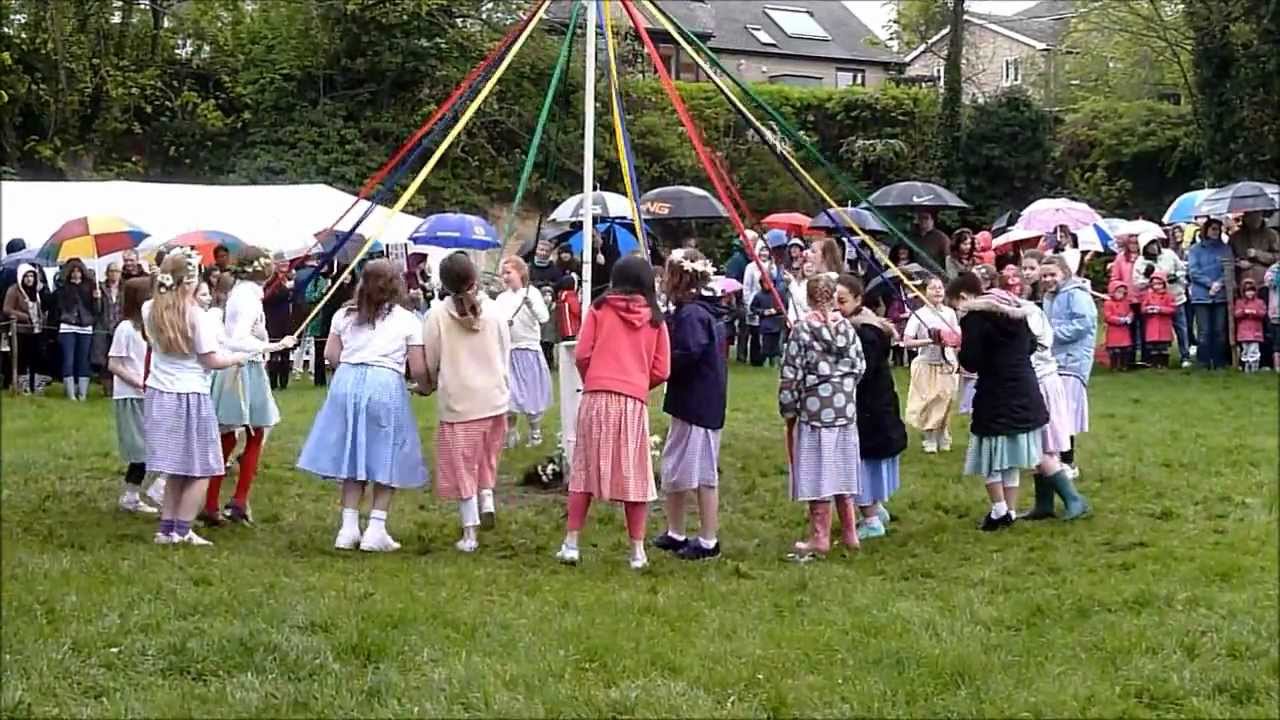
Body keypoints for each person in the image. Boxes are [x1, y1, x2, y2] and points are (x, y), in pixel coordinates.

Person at [297, 260, 429, 551]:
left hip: (346, 382)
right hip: (384, 384)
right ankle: (376, 528)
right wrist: (425, 386)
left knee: (351, 451)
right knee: (387, 452)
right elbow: (418, 367)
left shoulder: (345, 314)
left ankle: (348, 527)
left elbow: (331, 355)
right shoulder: (408, 320)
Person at [555, 256, 671, 570]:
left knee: (584, 469)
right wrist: (637, 383)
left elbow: (582, 353)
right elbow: (662, 368)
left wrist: (593, 378)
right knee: (635, 473)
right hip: (632, 401)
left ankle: (571, 543)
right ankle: (637, 551)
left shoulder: (599, 309)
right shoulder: (656, 319)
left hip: (596, 396)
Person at [143, 248, 249, 546]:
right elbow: (210, 360)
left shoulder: (149, 309)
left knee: (177, 467)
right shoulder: (197, 317)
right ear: (189, 281)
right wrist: (236, 358)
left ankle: (167, 529)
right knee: (203, 468)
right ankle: (182, 529)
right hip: (190, 395)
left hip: (159, 393)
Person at [423, 253, 511, 553]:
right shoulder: (496, 311)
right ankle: (487, 499)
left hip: (460, 404)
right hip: (495, 399)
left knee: (463, 467)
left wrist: (427, 383)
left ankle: (470, 532)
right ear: (474, 277)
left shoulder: (435, 315)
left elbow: (431, 360)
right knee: (487, 457)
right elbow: (505, 351)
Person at [948, 272, 1048, 531]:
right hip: (1023, 388)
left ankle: (998, 509)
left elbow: (971, 360)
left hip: (995, 392)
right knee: (1011, 455)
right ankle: (1010, 511)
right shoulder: (1013, 310)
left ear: (963, 297)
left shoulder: (974, 318)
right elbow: (1031, 346)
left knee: (991, 454)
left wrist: (958, 348)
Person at [203, 250, 297, 526]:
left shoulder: (244, 293)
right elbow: (238, 338)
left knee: (232, 436)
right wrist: (274, 345)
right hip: (243, 368)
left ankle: (219, 502)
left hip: (237, 366)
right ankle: (234, 502)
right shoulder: (247, 298)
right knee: (253, 433)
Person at [779, 275, 866, 557]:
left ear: (809, 298)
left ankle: (820, 537)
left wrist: (788, 408)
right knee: (843, 467)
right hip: (844, 410)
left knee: (817, 470)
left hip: (815, 411)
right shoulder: (848, 328)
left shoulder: (803, 329)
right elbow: (859, 365)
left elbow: (791, 374)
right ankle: (851, 534)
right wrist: (844, 388)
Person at [652, 249, 727, 561]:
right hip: (690, 403)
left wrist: (661, 362)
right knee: (675, 468)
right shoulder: (689, 311)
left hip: (700, 406)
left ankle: (709, 540)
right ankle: (676, 531)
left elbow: (689, 353)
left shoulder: (694, 315)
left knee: (702, 473)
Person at [836, 274, 904, 541]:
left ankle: (871, 517)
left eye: (842, 301)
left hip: (868, 408)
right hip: (875, 405)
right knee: (870, 461)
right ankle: (876, 507)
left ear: (858, 300)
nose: (836, 307)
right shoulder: (866, 326)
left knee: (861, 462)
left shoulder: (863, 332)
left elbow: (858, 370)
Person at [1039, 255, 1096, 479]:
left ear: (1065, 273)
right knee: (1055, 412)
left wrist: (1050, 334)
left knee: (1066, 412)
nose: (1048, 279)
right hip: (1055, 360)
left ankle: (1068, 462)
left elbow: (1084, 323)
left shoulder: (1076, 294)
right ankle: (1054, 459)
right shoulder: (1049, 296)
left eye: (1053, 274)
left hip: (1073, 361)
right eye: (1044, 275)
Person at [107, 277, 157, 514]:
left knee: (153, 446)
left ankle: (135, 493)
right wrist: (138, 382)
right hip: (131, 395)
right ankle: (131, 495)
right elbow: (114, 364)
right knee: (140, 449)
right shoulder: (125, 329)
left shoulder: (151, 328)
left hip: (148, 393)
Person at [492, 256, 551, 448]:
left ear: (521, 272)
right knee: (510, 395)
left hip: (528, 350)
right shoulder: (502, 298)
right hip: (509, 352)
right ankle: (511, 433)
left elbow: (543, 318)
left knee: (530, 393)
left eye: (509, 272)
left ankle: (535, 431)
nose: (505, 276)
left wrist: (531, 305)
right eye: (503, 273)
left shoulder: (531, 293)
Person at [902, 276, 960, 454]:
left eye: (940, 288)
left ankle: (943, 432)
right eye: (933, 288)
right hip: (926, 363)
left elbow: (955, 335)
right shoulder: (919, 315)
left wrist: (951, 341)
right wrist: (930, 340)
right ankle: (929, 437)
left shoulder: (949, 312)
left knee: (945, 399)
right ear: (924, 292)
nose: (937, 291)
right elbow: (907, 341)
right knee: (928, 400)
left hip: (946, 363)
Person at [1133, 231, 1190, 366]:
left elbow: (1183, 269)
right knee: (1158, 331)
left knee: (1181, 328)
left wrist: (1175, 275)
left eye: (1154, 243)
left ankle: (1185, 356)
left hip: (1175, 297)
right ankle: (1157, 359)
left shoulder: (1169, 254)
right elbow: (1136, 283)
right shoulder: (1141, 262)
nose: (1153, 247)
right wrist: (1148, 278)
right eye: (1149, 245)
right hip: (1156, 302)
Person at [1187, 218, 1233, 369]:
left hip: (1220, 294)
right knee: (1204, 331)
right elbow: (1193, 271)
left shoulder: (1225, 248)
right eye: (1213, 229)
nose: (1216, 232)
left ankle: (1219, 361)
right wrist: (1210, 284)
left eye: (1218, 229)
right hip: (1201, 295)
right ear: (1206, 230)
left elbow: (1229, 268)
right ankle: (1203, 361)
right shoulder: (1195, 249)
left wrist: (1219, 283)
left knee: (1220, 330)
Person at [54, 258, 100, 401]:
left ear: (83, 272)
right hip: (67, 326)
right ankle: (71, 393)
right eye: (73, 271)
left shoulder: (91, 287)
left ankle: (82, 393)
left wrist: (97, 299)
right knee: (68, 359)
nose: (76, 274)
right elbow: (58, 307)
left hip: (85, 326)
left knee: (83, 360)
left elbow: (96, 311)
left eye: (78, 271)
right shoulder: (63, 287)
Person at [3, 263, 44, 394]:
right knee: (21, 359)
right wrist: (23, 316)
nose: (29, 279)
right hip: (20, 331)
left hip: (36, 330)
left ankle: (33, 385)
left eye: (31, 276)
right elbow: (7, 309)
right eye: (26, 276)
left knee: (35, 359)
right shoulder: (14, 290)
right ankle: (20, 386)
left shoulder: (36, 292)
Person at [92, 261, 125, 396]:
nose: (114, 274)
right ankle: (107, 388)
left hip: (119, 326)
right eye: (111, 271)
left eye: (117, 271)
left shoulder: (124, 289)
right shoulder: (100, 288)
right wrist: (97, 299)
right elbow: (96, 311)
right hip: (104, 326)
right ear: (107, 273)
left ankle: (118, 386)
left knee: (118, 357)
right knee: (103, 358)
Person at [263, 253, 294, 390]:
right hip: (273, 319)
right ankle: (273, 382)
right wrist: (285, 289)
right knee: (274, 350)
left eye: (286, 263)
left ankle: (284, 382)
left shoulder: (290, 278)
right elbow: (267, 298)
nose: (284, 266)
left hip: (286, 318)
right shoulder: (270, 281)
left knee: (286, 351)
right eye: (281, 263)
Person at [1229, 211, 1279, 288]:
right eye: (1250, 216)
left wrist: (1258, 254)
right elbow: (1229, 258)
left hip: (1265, 283)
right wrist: (1238, 263)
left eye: (1256, 216)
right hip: (1242, 283)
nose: (1254, 219)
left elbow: (1277, 257)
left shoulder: (1271, 234)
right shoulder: (1235, 237)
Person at [1140, 271, 1177, 369]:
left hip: (1164, 326)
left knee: (1163, 347)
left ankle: (1164, 364)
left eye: (1159, 284)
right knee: (1153, 347)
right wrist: (1148, 309)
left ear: (1164, 284)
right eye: (1154, 284)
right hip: (1152, 325)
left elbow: (1172, 309)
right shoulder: (1148, 296)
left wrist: (1160, 309)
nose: (1157, 286)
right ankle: (1155, 364)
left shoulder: (1169, 296)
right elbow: (1143, 308)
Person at [1234, 278, 1266, 372]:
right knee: (1245, 350)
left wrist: (1254, 312)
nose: (1250, 293)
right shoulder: (1239, 302)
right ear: (1243, 291)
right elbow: (1236, 314)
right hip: (1243, 332)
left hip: (1256, 331)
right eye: (1247, 291)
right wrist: (1244, 312)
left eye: (1252, 290)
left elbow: (1263, 313)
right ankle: (1246, 368)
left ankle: (1254, 368)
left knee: (1254, 350)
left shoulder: (1259, 302)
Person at [1104, 282, 1135, 371]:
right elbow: (1108, 317)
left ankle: (1124, 365)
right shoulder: (1108, 303)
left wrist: (1129, 317)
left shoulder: (1126, 303)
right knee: (1114, 350)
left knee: (1125, 350)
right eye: (1118, 292)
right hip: (1114, 331)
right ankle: (1114, 366)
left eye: (1123, 292)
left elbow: (1130, 312)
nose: (1120, 295)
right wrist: (1119, 320)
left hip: (1124, 330)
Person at [1266, 260, 1280, 373]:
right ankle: (1277, 366)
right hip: (1277, 312)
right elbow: (1269, 283)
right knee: (1277, 341)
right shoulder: (1273, 269)